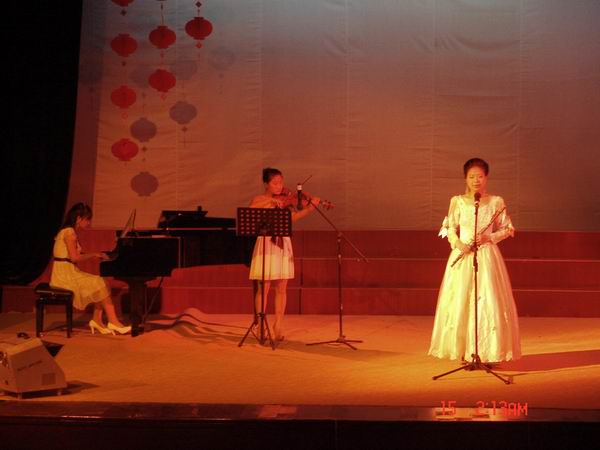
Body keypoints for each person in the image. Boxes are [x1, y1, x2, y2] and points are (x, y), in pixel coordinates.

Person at [428, 158, 521, 363]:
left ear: (486, 178)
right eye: (471, 177)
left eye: (480, 176)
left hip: (486, 256)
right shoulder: (457, 201)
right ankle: (462, 350)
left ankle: (487, 352)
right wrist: (458, 243)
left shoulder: (496, 202)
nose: (476, 180)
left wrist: (489, 237)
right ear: (466, 179)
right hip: (463, 255)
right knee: (460, 300)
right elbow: (449, 227)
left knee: (486, 301)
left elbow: (508, 228)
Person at [249, 167, 320, 342]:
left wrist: (310, 208)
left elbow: (293, 218)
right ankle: (261, 325)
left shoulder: (285, 201)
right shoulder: (259, 199)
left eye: (281, 182)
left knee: (281, 288)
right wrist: (270, 202)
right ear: (266, 184)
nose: (279, 186)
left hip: (283, 242)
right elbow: (252, 209)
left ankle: (278, 325)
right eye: (275, 183)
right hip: (266, 242)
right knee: (263, 287)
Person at [50, 203, 131, 335]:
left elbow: (73, 256)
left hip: (68, 271)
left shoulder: (68, 231)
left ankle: (97, 320)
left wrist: (97, 254)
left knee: (102, 283)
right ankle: (113, 322)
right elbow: (75, 258)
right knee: (99, 282)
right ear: (78, 218)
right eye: (87, 219)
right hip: (63, 276)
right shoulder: (69, 232)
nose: (89, 223)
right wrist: (94, 254)